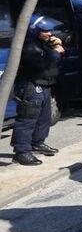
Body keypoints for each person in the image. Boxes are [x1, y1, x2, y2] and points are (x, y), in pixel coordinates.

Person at [10, 15, 65, 166]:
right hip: (32, 86)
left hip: (45, 85)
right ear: (34, 31)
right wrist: (56, 52)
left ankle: (37, 143)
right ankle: (21, 151)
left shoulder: (43, 44)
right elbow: (40, 65)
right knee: (28, 119)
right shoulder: (29, 47)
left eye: (50, 30)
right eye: (45, 31)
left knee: (44, 118)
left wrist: (57, 45)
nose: (50, 33)